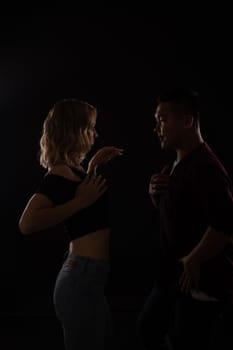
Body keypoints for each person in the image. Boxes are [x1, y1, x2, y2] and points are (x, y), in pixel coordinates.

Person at [18, 98, 124, 350]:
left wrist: (93, 166)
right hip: (81, 279)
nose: (94, 133)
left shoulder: (72, 171)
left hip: (89, 277)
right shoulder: (58, 173)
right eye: (90, 127)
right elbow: (27, 223)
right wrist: (79, 202)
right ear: (73, 131)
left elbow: (84, 207)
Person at [136, 88, 233, 349]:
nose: (157, 128)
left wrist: (194, 258)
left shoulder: (207, 168)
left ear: (188, 121)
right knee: (148, 330)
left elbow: (226, 225)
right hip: (172, 278)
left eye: (163, 120)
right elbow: (186, 219)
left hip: (199, 284)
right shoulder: (179, 164)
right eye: (156, 121)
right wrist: (157, 199)